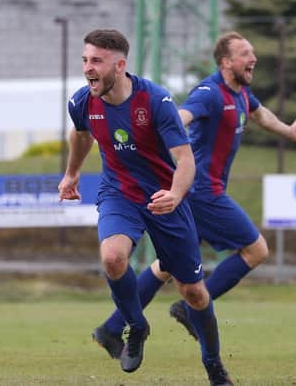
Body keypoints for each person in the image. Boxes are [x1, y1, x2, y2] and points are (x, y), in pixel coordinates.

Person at [93, 31, 296, 349]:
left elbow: (260, 114)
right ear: (226, 62)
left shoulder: (241, 94)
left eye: (253, 52)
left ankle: (111, 328)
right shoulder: (210, 93)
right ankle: (189, 308)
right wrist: (158, 131)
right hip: (202, 192)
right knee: (256, 250)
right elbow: (181, 115)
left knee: (166, 266)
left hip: (199, 194)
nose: (253, 58)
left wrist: (288, 131)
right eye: (245, 54)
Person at [58, 29, 233, 386]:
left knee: (194, 292)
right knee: (112, 257)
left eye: (97, 61)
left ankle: (214, 366)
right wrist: (72, 173)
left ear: (120, 65)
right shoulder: (82, 102)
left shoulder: (155, 101)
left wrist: (175, 194)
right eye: (85, 60)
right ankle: (136, 326)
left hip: (165, 199)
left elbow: (185, 161)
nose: (88, 68)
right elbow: (81, 133)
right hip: (119, 192)